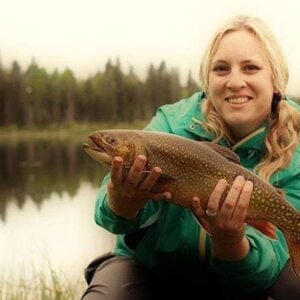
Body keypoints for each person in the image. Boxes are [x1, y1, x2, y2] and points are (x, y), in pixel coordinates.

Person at [81, 15, 300, 300]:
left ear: (276, 80)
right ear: (207, 81)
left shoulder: (295, 148)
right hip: (153, 270)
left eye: (251, 68)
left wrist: (229, 240)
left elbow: (266, 268)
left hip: (241, 276)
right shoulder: (170, 125)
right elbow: (111, 218)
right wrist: (123, 199)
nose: (235, 82)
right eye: (221, 69)